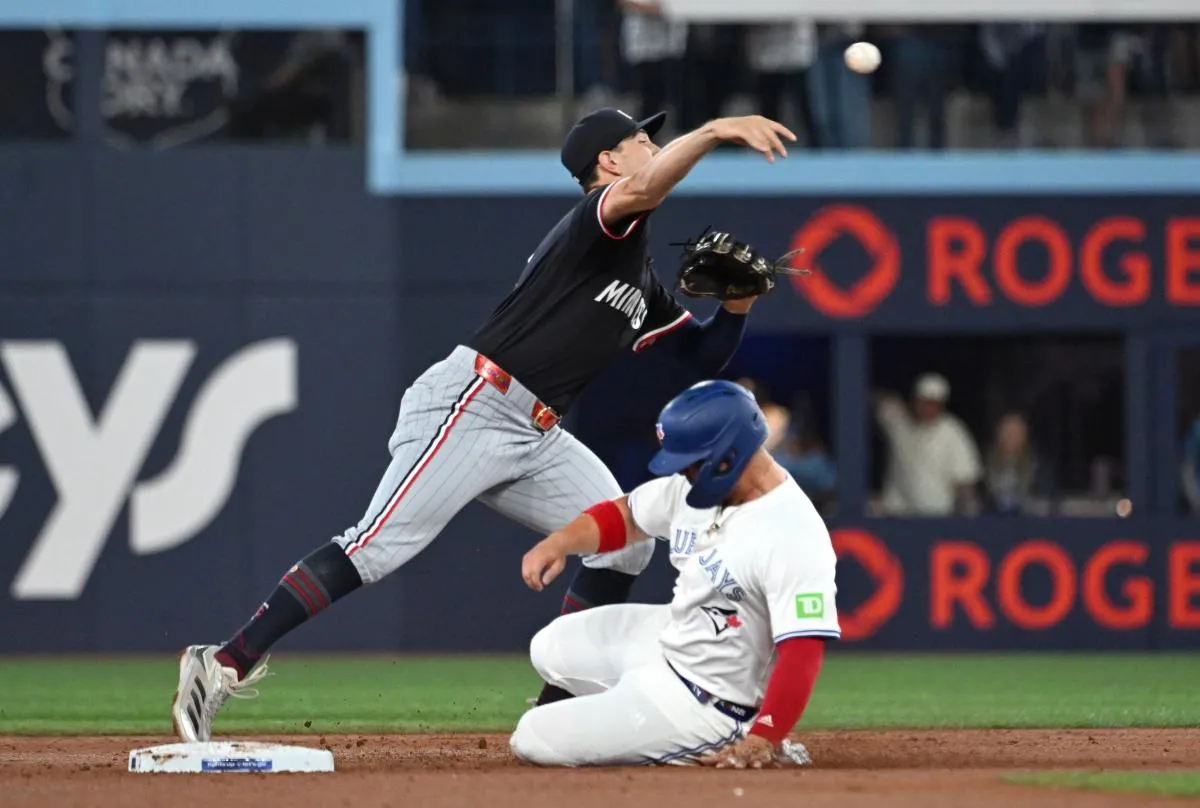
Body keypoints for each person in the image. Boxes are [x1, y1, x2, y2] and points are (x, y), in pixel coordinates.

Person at [169, 107, 798, 743]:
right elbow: (643, 188)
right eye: (642, 140)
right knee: (374, 546)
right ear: (607, 162)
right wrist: (716, 131)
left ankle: (557, 703)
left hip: (538, 432)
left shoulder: (639, 276)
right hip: (476, 402)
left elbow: (700, 355)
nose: (653, 146)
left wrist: (737, 303)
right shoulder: (598, 220)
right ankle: (221, 663)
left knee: (627, 538)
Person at [510, 379, 839, 767]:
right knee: (550, 645)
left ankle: (694, 734)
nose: (682, 472)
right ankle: (623, 712)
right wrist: (560, 542)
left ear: (728, 455)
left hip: (711, 700)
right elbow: (627, 515)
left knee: (532, 737)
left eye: (691, 462)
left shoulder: (792, 532)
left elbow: (803, 650)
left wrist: (765, 736)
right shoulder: (697, 489)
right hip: (669, 640)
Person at [874, 372, 981, 516]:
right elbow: (873, 398)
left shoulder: (953, 431)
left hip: (937, 517)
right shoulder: (899, 424)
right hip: (897, 514)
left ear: (941, 404)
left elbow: (964, 481)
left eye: (932, 403)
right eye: (922, 401)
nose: (926, 407)